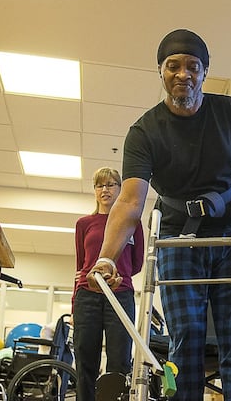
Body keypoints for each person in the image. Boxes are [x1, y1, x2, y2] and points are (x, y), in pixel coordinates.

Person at [86, 28, 231, 401]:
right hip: (180, 241)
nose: (183, 74)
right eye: (173, 65)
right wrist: (106, 257)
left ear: (204, 72)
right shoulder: (145, 131)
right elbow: (131, 201)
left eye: (193, 66)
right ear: (161, 71)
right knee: (186, 342)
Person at [73, 167, 145, 401]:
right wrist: (75, 305)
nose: (105, 190)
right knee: (85, 359)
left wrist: (117, 275)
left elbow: (136, 265)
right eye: (99, 185)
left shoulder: (133, 222)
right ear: (94, 191)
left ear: (120, 189)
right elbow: (81, 265)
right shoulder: (84, 223)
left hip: (120, 294)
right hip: (87, 294)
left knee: (119, 361)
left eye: (111, 184)